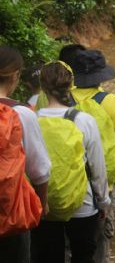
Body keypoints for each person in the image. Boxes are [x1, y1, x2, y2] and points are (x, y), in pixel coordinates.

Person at [65, 47, 115, 263]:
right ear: (100, 75)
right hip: (97, 184)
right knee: (100, 243)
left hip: (63, 183)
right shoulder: (110, 101)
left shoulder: (59, 97)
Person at [32, 61, 110, 263]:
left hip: (44, 205)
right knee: (83, 256)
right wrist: (103, 202)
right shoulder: (84, 120)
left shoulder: (31, 120)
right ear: (70, 85)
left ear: (42, 87)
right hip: (82, 205)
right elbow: (97, 168)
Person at [0, 47, 49, 263]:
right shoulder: (22, 114)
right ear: (16, 76)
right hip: (11, 213)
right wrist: (43, 203)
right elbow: (40, 171)